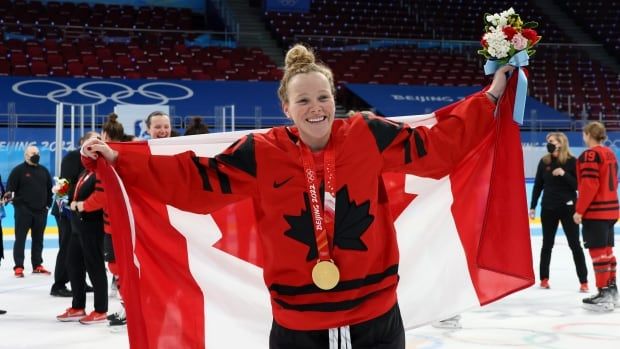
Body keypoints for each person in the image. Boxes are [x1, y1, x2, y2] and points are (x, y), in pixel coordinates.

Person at [82, 44, 514, 348]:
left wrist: (492, 94)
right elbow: (197, 178)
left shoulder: (366, 134)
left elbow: (436, 144)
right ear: (285, 107)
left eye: (323, 97)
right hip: (297, 323)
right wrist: (121, 157)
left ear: (335, 97)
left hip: (375, 316)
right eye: (303, 99)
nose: (316, 107)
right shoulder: (262, 151)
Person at [57, 132, 108, 324]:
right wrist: (65, 198)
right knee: (73, 263)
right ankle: (78, 306)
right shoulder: (86, 170)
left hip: (93, 225)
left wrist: (82, 205)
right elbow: (72, 189)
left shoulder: (103, 170)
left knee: (94, 266)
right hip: (78, 225)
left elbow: (102, 197)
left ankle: (101, 309)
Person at [530, 132, 588, 291]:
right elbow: (537, 186)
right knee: (546, 245)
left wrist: (563, 174)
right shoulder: (544, 162)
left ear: (561, 143)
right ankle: (544, 279)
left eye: (552, 141)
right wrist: (533, 206)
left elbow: (578, 186)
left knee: (575, 245)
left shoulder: (572, 162)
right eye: (547, 141)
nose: (548, 143)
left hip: (568, 208)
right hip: (548, 208)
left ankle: (584, 281)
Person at [573, 122, 619, 312]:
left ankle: (603, 293)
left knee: (598, 253)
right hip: (611, 210)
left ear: (587, 134)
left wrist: (580, 210)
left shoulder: (590, 155)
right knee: (607, 252)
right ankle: (612, 290)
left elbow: (589, 185)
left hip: (596, 211)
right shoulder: (611, 154)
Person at [50, 133, 97, 297]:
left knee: (79, 247)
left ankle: (79, 281)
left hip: (79, 210)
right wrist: (66, 207)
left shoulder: (94, 160)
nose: (96, 143)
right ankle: (59, 284)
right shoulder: (73, 157)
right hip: (66, 210)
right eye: (92, 139)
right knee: (67, 246)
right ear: (83, 142)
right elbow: (64, 183)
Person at [6, 145, 53, 277]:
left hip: (41, 212)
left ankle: (37, 264)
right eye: (33, 153)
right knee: (20, 239)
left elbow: (50, 190)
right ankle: (19, 266)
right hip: (23, 212)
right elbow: (10, 191)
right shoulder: (18, 171)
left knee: (38, 239)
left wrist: (47, 206)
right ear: (26, 155)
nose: (36, 155)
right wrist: (18, 205)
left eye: (37, 152)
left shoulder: (44, 171)